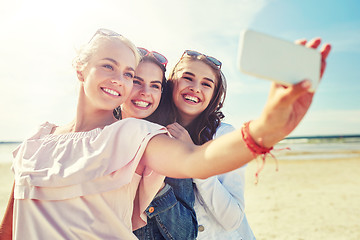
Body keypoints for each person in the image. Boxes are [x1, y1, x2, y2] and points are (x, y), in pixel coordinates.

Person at [0, 28, 331, 239]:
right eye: (108, 66)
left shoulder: (134, 135)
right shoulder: (37, 139)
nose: (121, 79)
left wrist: (265, 129)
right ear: (80, 69)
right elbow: (10, 223)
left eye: (128, 73)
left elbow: (195, 159)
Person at [165, 50, 255, 239]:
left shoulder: (225, 136)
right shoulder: (155, 134)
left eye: (206, 84)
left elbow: (233, 220)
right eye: (188, 78)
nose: (196, 88)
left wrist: (196, 159)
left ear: (214, 95)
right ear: (171, 82)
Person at [120, 49, 198, 240]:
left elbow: (187, 235)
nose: (145, 93)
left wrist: (157, 187)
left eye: (154, 86)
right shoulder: (93, 138)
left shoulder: (169, 146)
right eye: (137, 82)